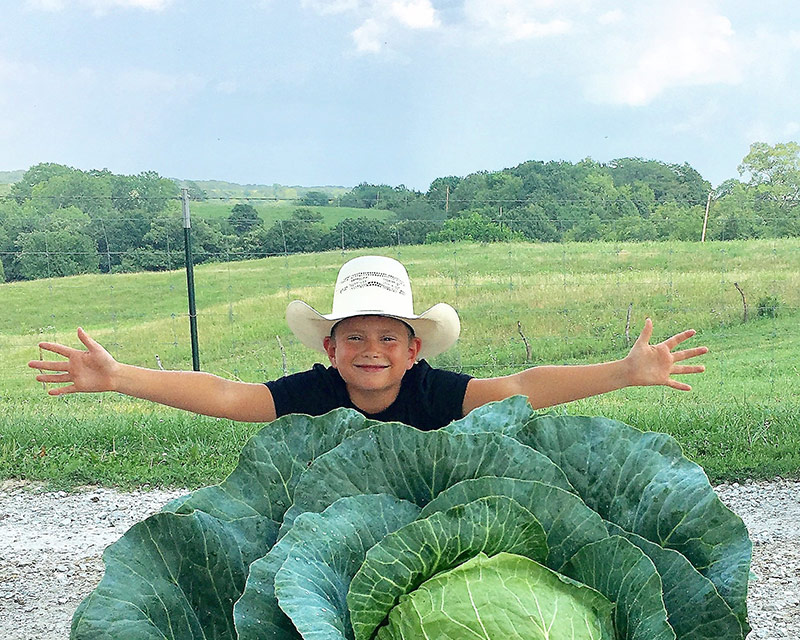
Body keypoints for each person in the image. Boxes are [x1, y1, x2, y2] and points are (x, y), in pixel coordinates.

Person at [29, 255, 707, 430]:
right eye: (354, 336)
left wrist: (622, 371)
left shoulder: (435, 393)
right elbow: (229, 395)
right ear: (330, 349)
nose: (371, 349)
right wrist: (121, 376)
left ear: (415, 350)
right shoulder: (316, 395)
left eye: (389, 336)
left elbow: (523, 389)